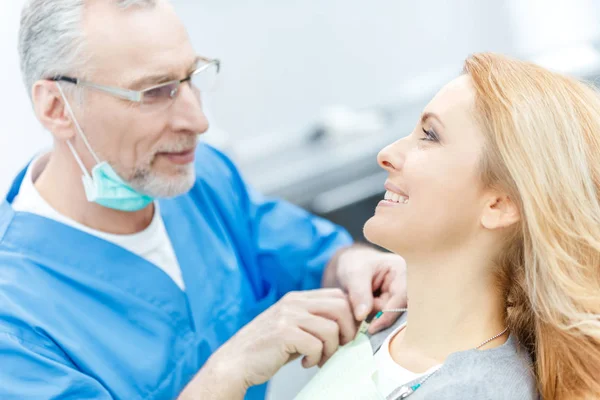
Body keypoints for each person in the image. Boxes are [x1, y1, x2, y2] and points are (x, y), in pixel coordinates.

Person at [0, 1, 408, 399]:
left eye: (191, 77)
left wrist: (356, 267)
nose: (198, 121)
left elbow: (304, 252)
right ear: (57, 107)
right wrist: (226, 374)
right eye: (155, 92)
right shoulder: (16, 320)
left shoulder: (201, 178)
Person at [306, 52, 600, 399]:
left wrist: (226, 379)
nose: (385, 153)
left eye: (429, 136)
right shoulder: (381, 323)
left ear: (500, 204)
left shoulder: (477, 392)